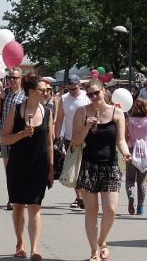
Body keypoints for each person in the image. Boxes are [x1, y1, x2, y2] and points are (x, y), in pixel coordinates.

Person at [72, 79, 131, 261]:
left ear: (104, 90)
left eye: (96, 93)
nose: (93, 97)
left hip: (110, 165)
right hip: (89, 166)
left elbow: (120, 140)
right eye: (89, 95)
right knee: (91, 211)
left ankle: (102, 241)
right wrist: (87, 126)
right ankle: (94, 252)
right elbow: (76, 141)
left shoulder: (117, 113)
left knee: (111, 210)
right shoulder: (81, 112)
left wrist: (126, 153)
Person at [2, 75, 54, 261]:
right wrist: (22, 134)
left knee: (35, 206)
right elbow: (4, 139)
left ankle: (35, 250)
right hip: (18, 164)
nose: (45, 93)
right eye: (42, 90)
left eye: (46, 90)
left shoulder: (47, 112)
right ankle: (19, 244)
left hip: (39, 165)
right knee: (18, 206)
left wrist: (51, 167)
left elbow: (49, 143)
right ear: (31, 91)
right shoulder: (16, 111)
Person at [54, 74, 90, 209]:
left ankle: (86, 195)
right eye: (70, 89)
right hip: (70, 138)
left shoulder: (87, 97)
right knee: (74, 167)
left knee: (85, 167)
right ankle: (79, 197)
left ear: (79, 85)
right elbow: (59, 120)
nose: (73, 92)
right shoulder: (63, 99)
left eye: (74, 89)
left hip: (87, 138)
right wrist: (57, 139)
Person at [0, 67, 26, 210]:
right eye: (9, 78)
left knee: (20, 168)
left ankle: (21, 196)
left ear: (20, 79)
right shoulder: (5, 95)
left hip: (19, 136)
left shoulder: (25, 96)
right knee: (9, 169)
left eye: (14, 78)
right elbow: (0, 115)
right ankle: (12, 198)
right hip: (5, 136)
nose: (11, 80)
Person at [125, 97, 147, 216]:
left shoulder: (129, 120)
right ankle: (140, 208)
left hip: (132, 150)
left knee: (130, 179)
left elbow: (125, 136)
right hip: (146, 151)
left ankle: (131, 195)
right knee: (142, 180)